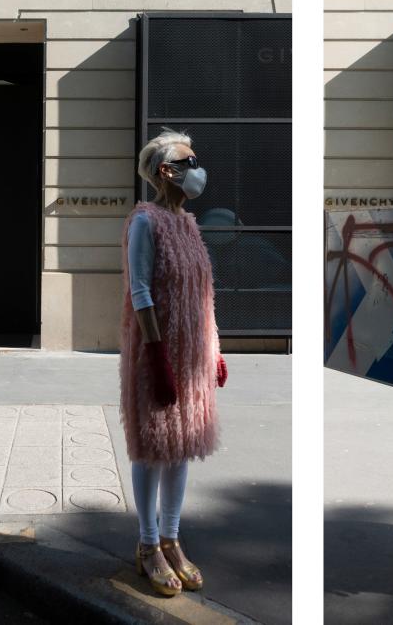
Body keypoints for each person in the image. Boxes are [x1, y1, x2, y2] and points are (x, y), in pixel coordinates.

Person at [119, 127, 228, 597]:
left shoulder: (187, 223)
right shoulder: (145, 221)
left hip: (192, 354)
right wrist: (157, 354)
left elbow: (203, 294)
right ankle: (147, 546)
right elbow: (140, 289)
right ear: (167, 171)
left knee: (181, 445)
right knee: (152, 447)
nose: (197, 170)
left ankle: (171, 537)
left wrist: (215, 349)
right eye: (190, 161)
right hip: (159, 350)